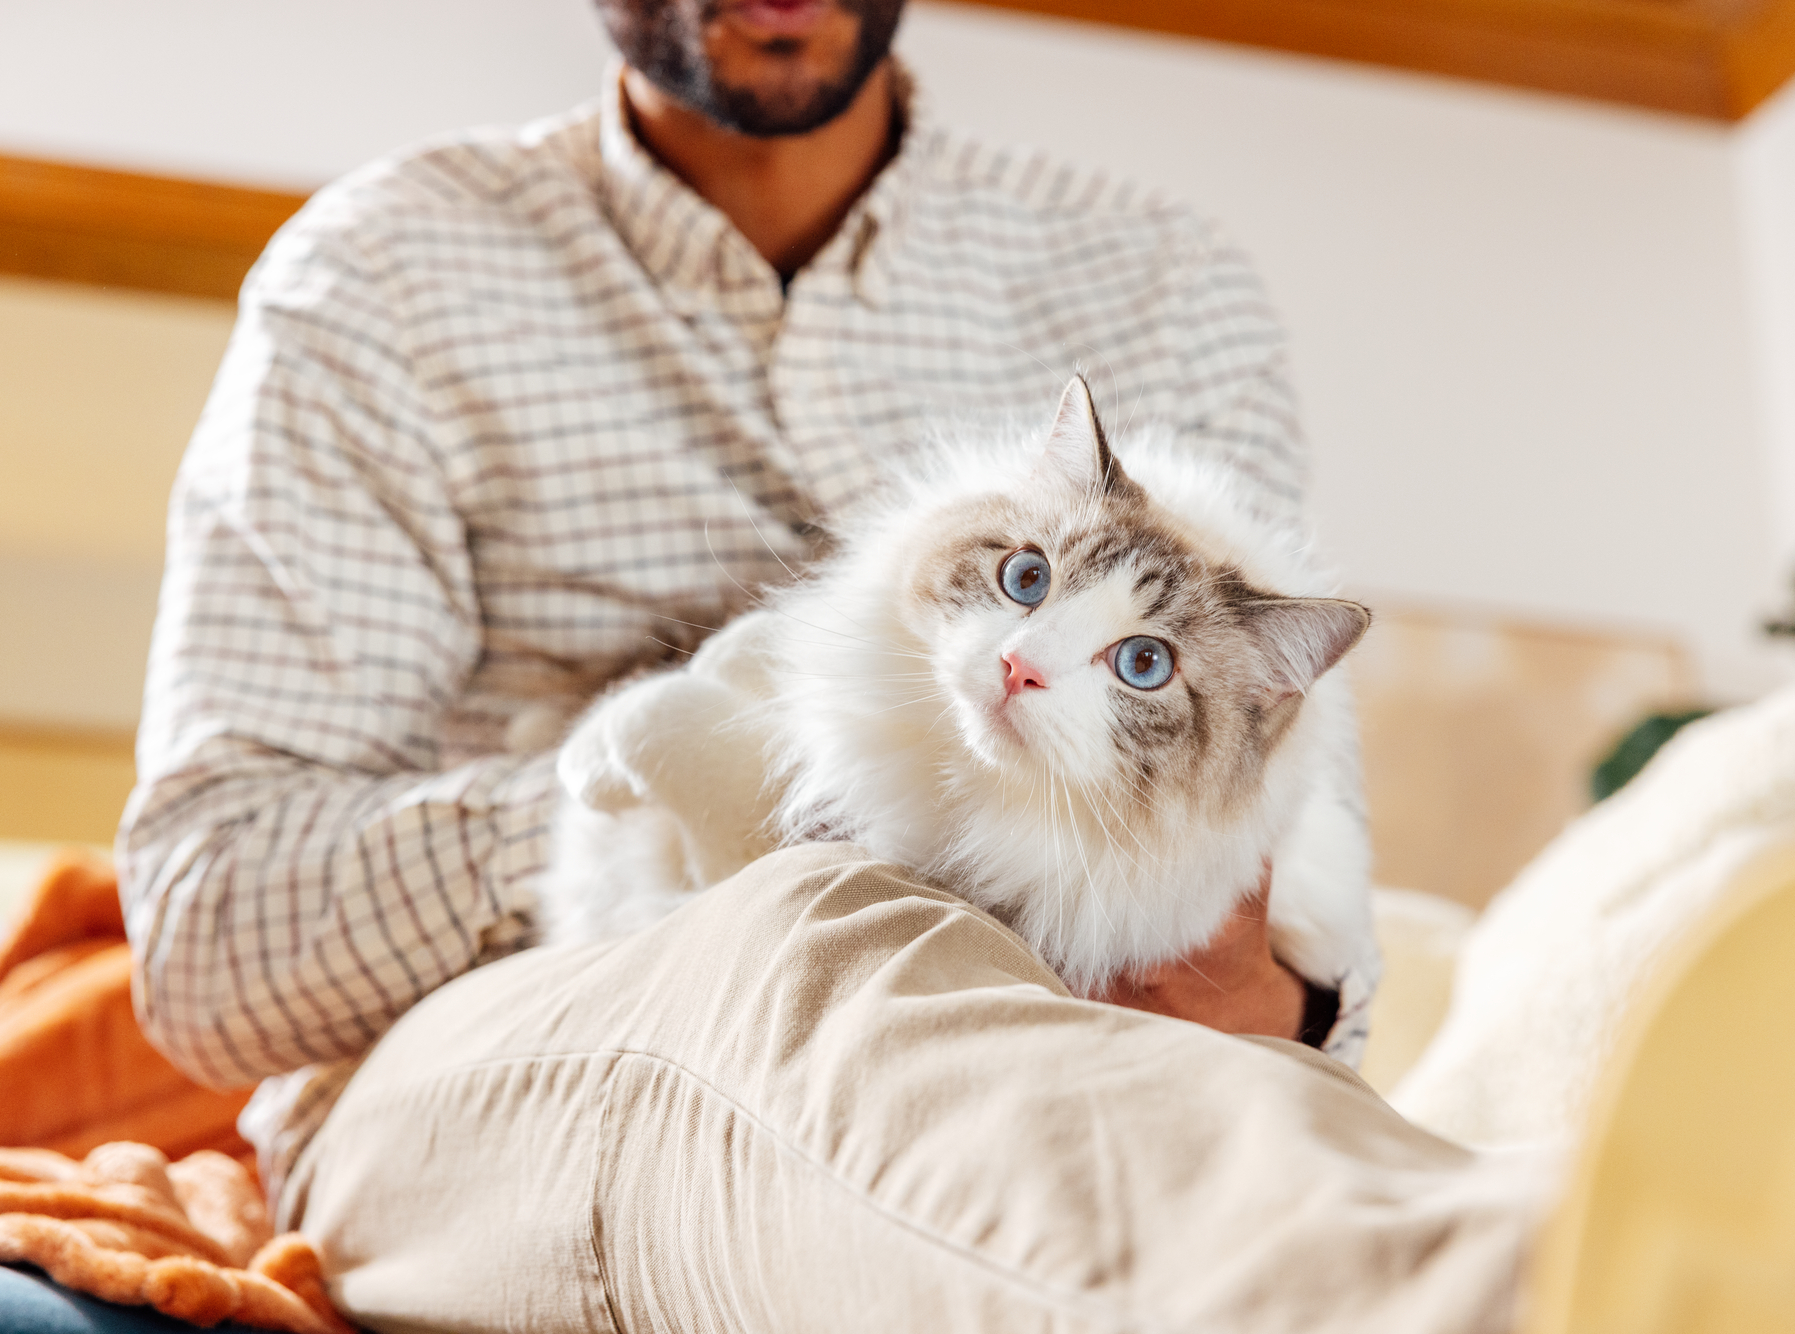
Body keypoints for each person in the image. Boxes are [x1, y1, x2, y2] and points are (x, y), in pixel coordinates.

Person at [115, 0, 1548, 1328]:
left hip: (1065, 1035)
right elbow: (206, 937)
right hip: (491, 1057)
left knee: (1173, 1088)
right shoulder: (379, 268)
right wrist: (704, 775)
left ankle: (1551, 1244)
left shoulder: (1164, 280)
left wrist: (1274, 993)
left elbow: (1302, 890)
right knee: (813, 927)